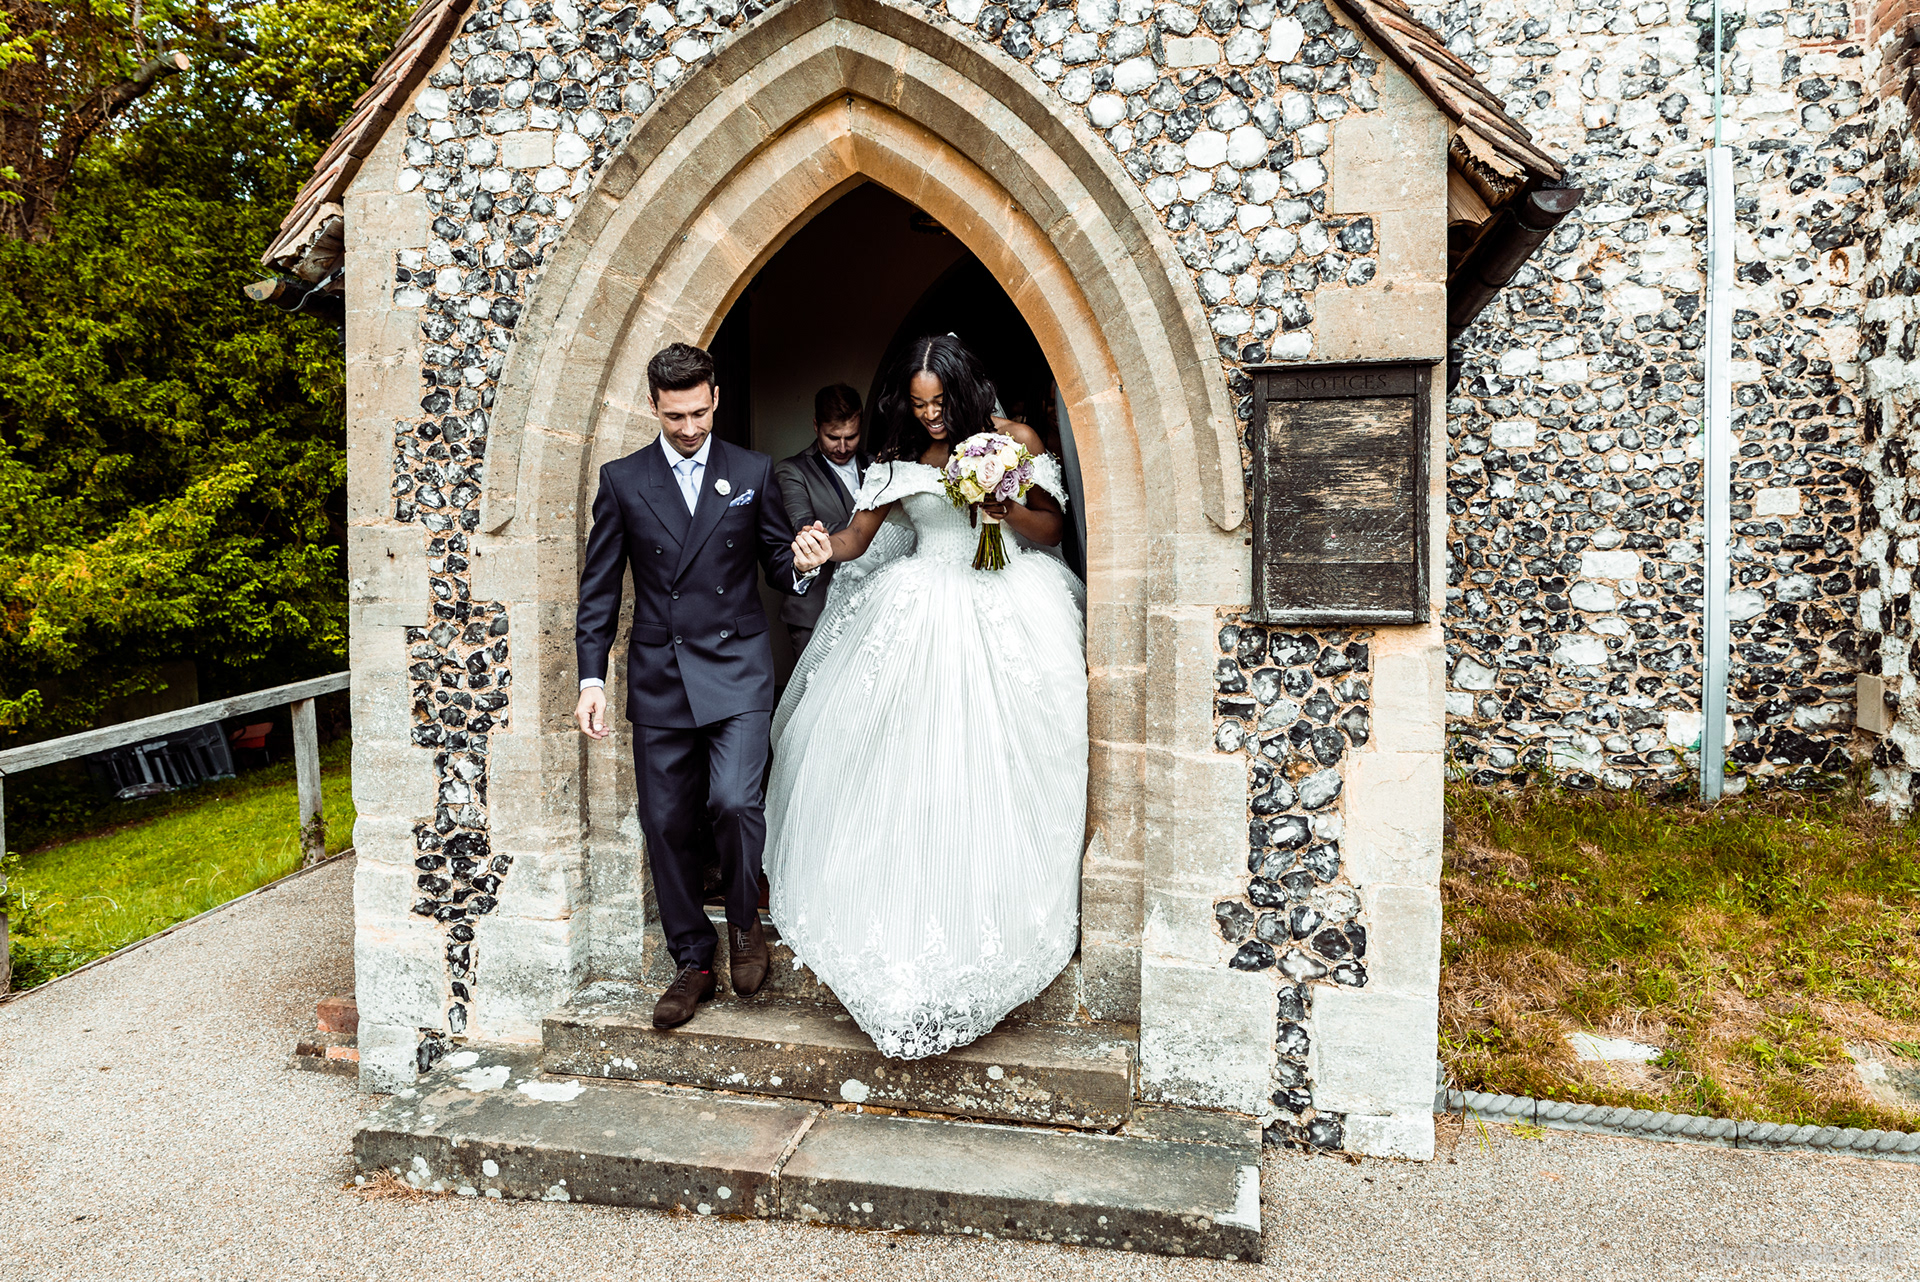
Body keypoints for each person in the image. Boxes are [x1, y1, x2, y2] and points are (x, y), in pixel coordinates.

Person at [766, 334, 1089, 1060]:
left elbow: (1051, 528)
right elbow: (857, 537)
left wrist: (1002, 507)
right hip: (917, 606)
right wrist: (818, 547)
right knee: (905, 768)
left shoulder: (1015, 440)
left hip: (1006, 599)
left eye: (940, 403)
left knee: (999, 763)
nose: (931, 416)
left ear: (965, 391)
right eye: (918, 405)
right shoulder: (897, 456)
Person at [574, 342, 827, 1031]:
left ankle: (744, 922)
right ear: (653, 407)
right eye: (674, 415)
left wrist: (803, 561)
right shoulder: (623, 480)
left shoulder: (751, 470)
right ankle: (692, 959)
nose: (688, 428)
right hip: (661, 673)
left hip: (738, 665)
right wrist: (592, 677)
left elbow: (776, 561)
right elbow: (599, 590)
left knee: (735, 802)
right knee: (664, 823)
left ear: (715, 398)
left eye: (698, 413)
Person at [772, 384, 868, 656]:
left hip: (870, 606)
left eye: (851, 437)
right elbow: (804, 526)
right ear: (816, 426)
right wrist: (873, 529)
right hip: (814, 609)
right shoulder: (792, 471)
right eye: (833, 437)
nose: (842, 447)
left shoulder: (877, 465)